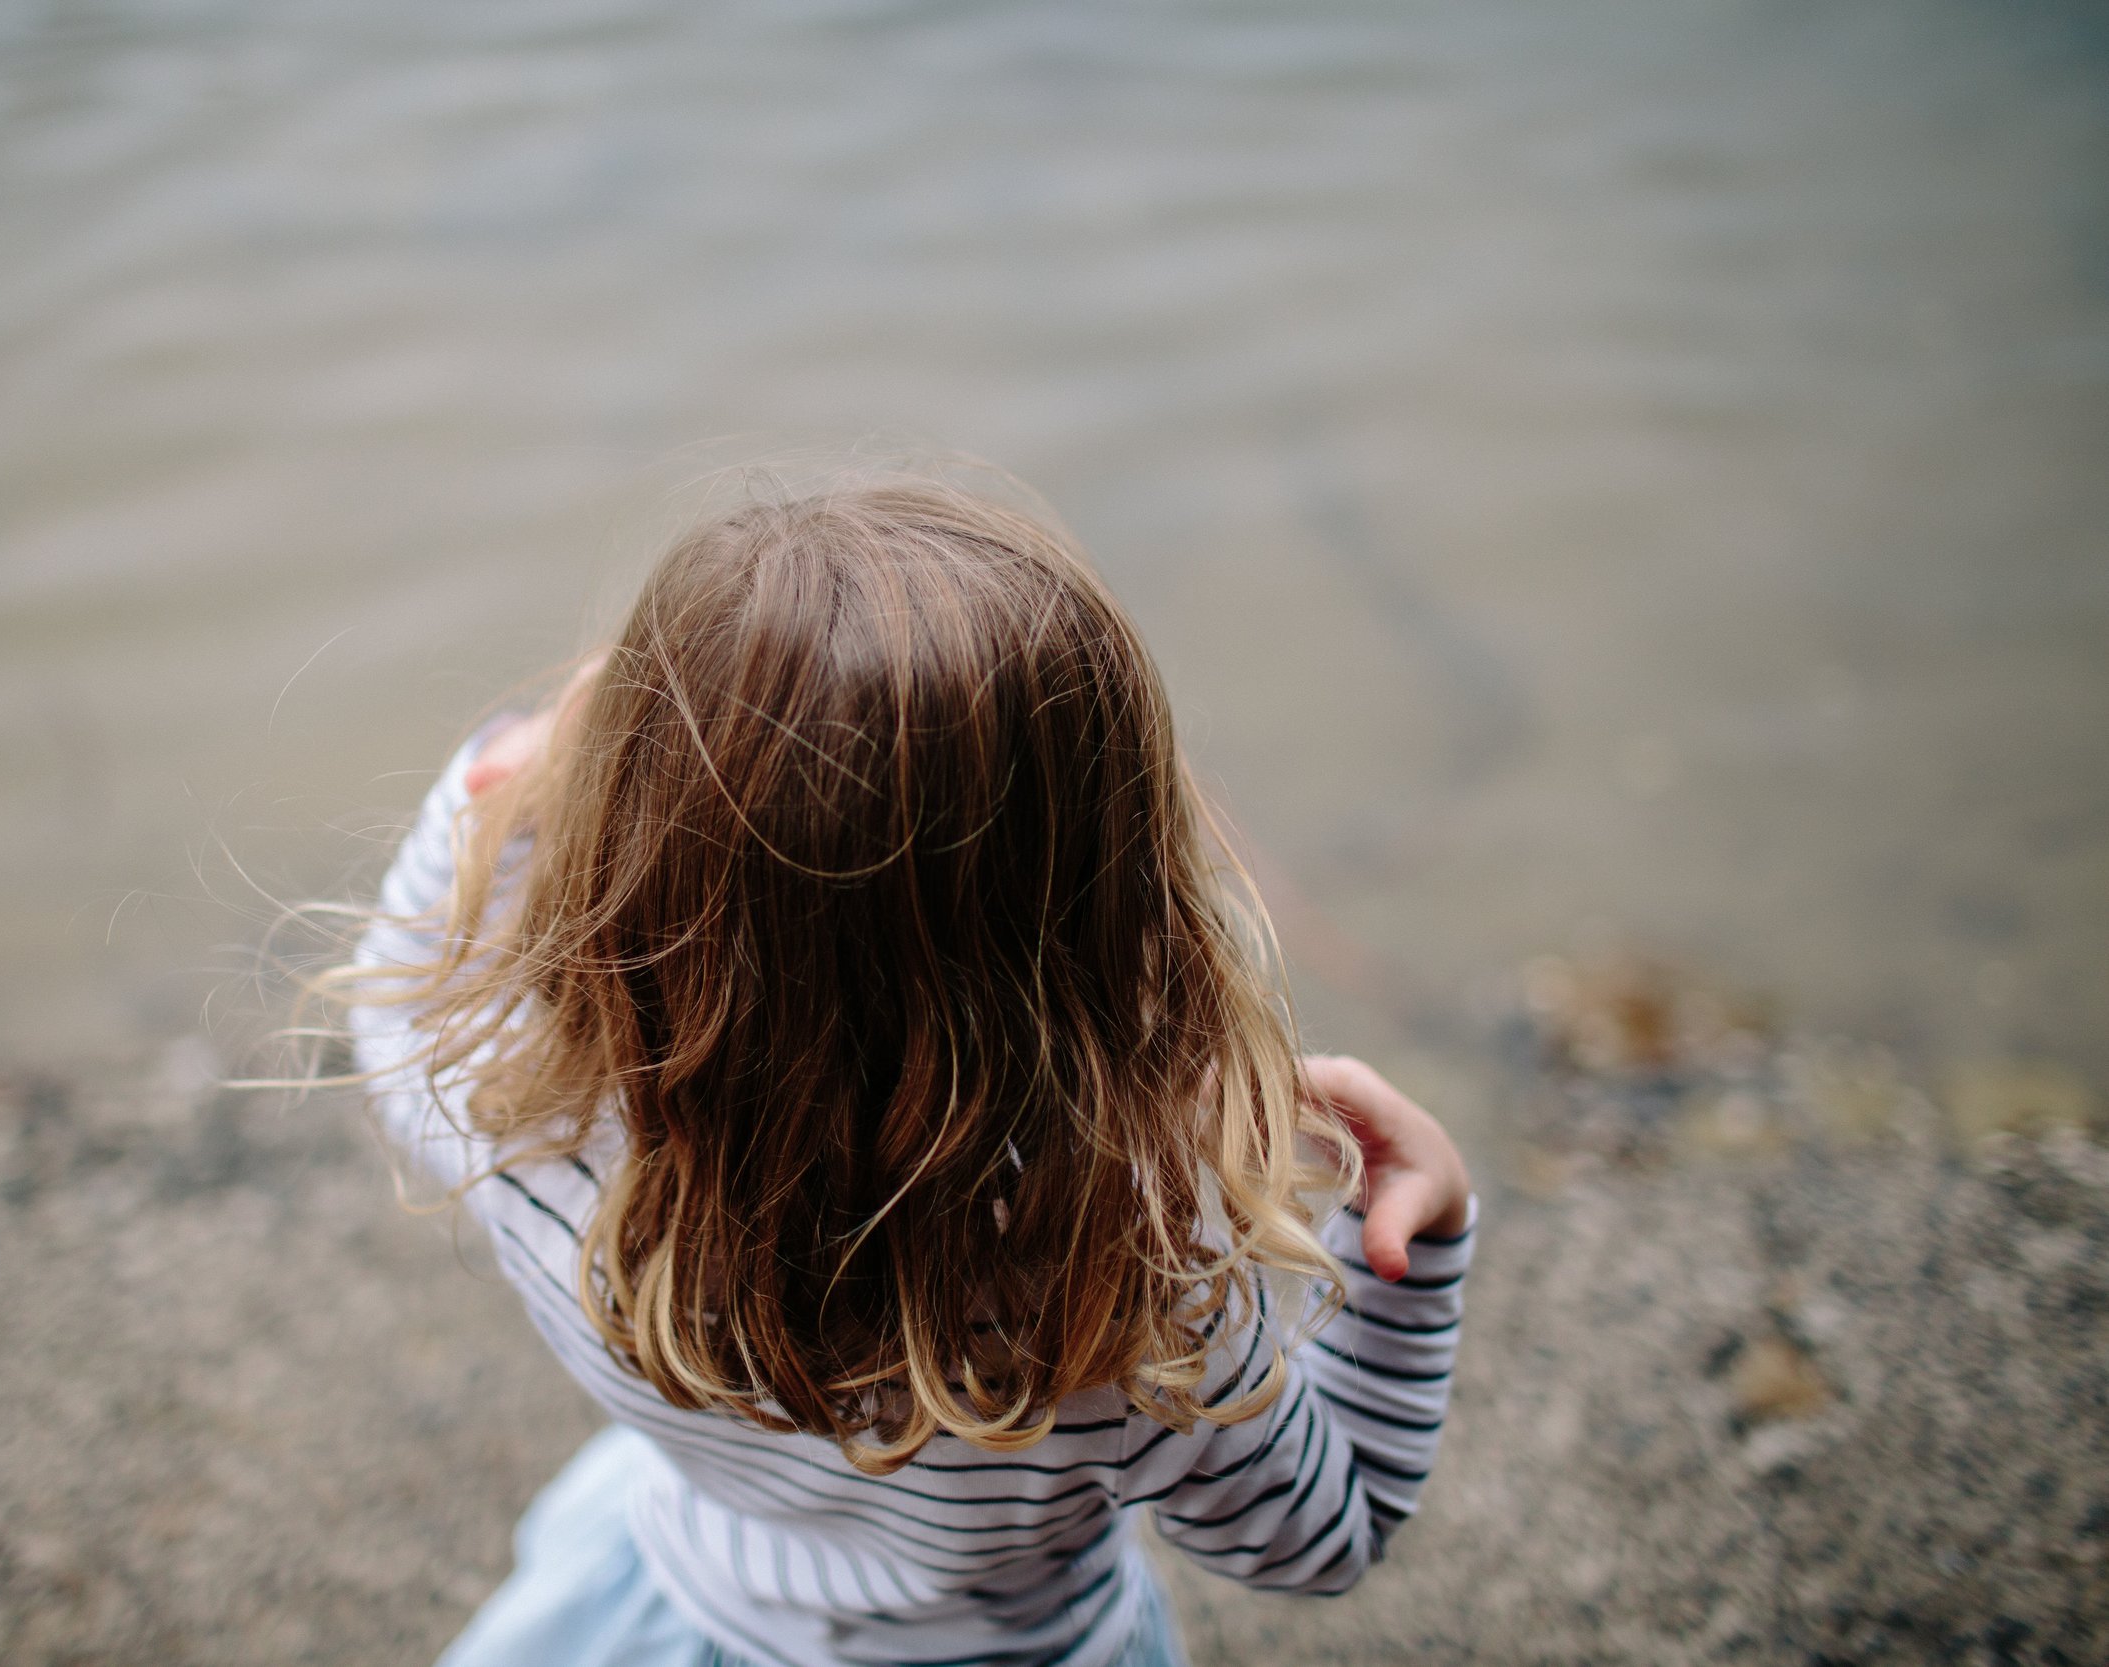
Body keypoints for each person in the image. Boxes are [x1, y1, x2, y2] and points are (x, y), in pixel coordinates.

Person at [344, 476, 1476, 1667]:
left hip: (672, 1591)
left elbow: (398, 977)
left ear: (627, 850)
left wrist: (525, 776)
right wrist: (1420, 1236)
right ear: (1098, 897)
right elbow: (1322, 1537)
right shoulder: (1127, 1299)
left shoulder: (534, 1137)